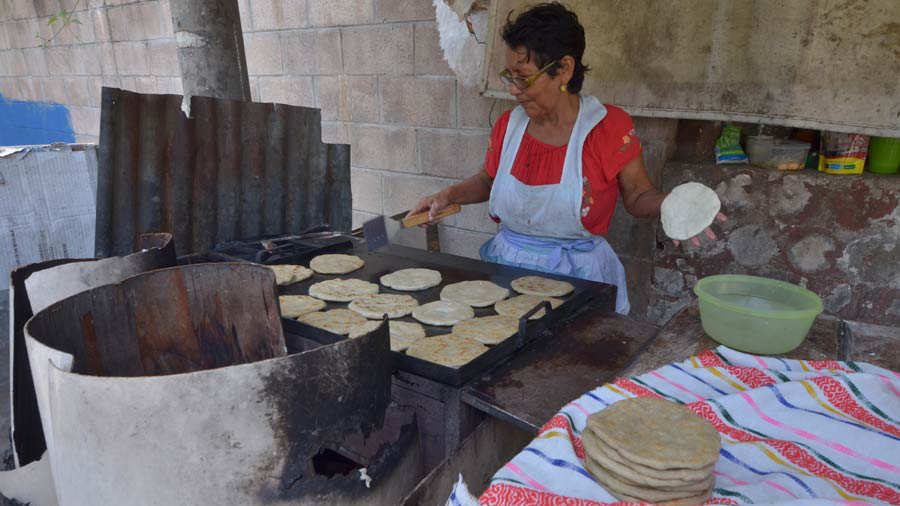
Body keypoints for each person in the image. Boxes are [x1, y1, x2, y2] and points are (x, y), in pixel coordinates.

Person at [409, 2, 723, 315]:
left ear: (565, 69)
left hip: (579, 277)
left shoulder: (608, 127)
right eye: (509, 75)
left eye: (525, 77)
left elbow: (638, 195)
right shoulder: (509, 126)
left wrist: (671, 204)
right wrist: (447, 196)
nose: (514, 89)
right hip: (506, 271)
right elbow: (488, 181)